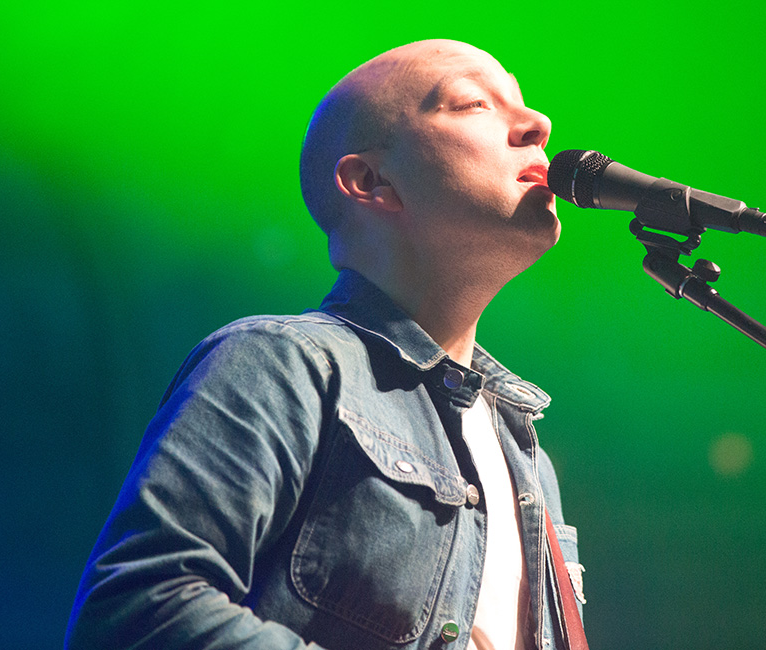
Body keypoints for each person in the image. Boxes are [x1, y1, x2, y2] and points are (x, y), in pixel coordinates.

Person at [65, 39, 585, 650]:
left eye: (524, 106)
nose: (538, 125)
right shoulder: (281, 364)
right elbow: (138, 610)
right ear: (369, 180)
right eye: (472, 104)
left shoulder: (527, 456)